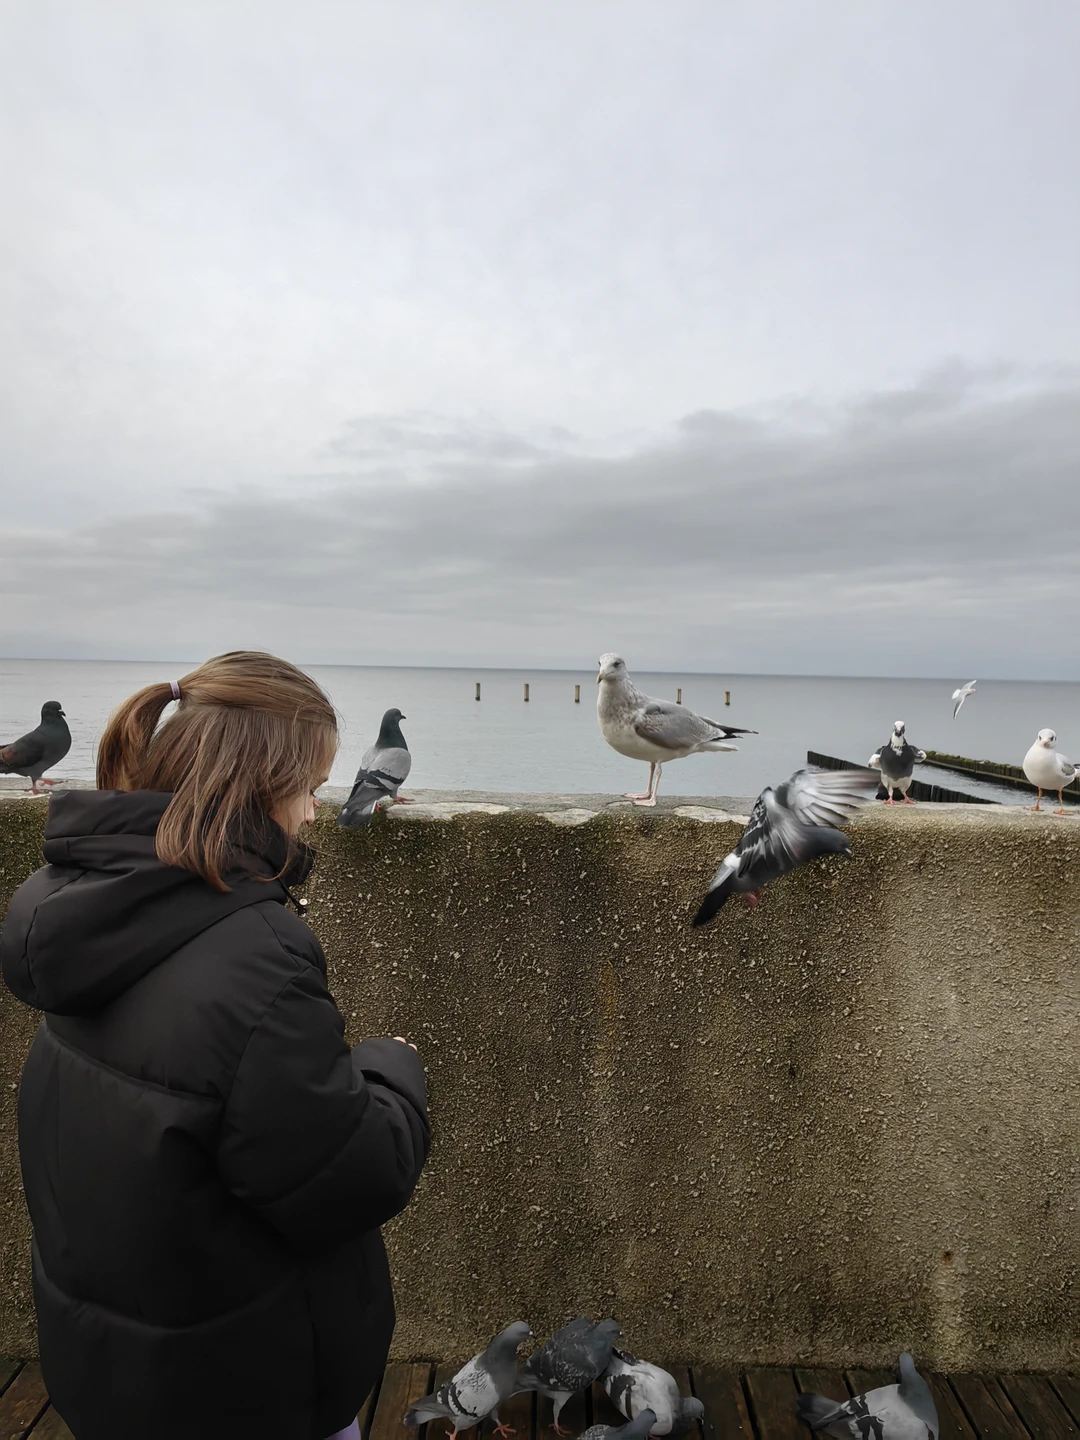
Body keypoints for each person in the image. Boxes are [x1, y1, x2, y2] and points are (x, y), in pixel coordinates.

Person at [0, 651, 430, 1440]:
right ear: (264, 786)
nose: (312, 813)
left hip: (109, 1364)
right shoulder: (253, 953)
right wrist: (392, 1067)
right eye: (309, 787)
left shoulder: (80, 902)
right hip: (238, 1384)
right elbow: (344, 1181)